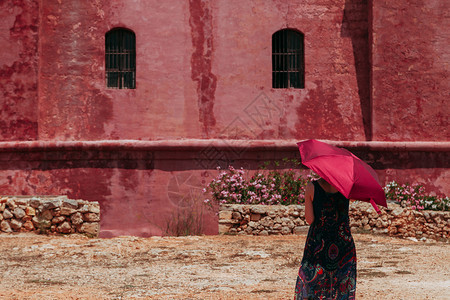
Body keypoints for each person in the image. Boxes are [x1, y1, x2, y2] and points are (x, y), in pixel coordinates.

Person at [294, 177, 357, 299]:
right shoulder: (346, 187)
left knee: (314, 283)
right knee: (341, 283)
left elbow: (310, 219)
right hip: (343, 242)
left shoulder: (311, 187)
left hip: (318, 242)